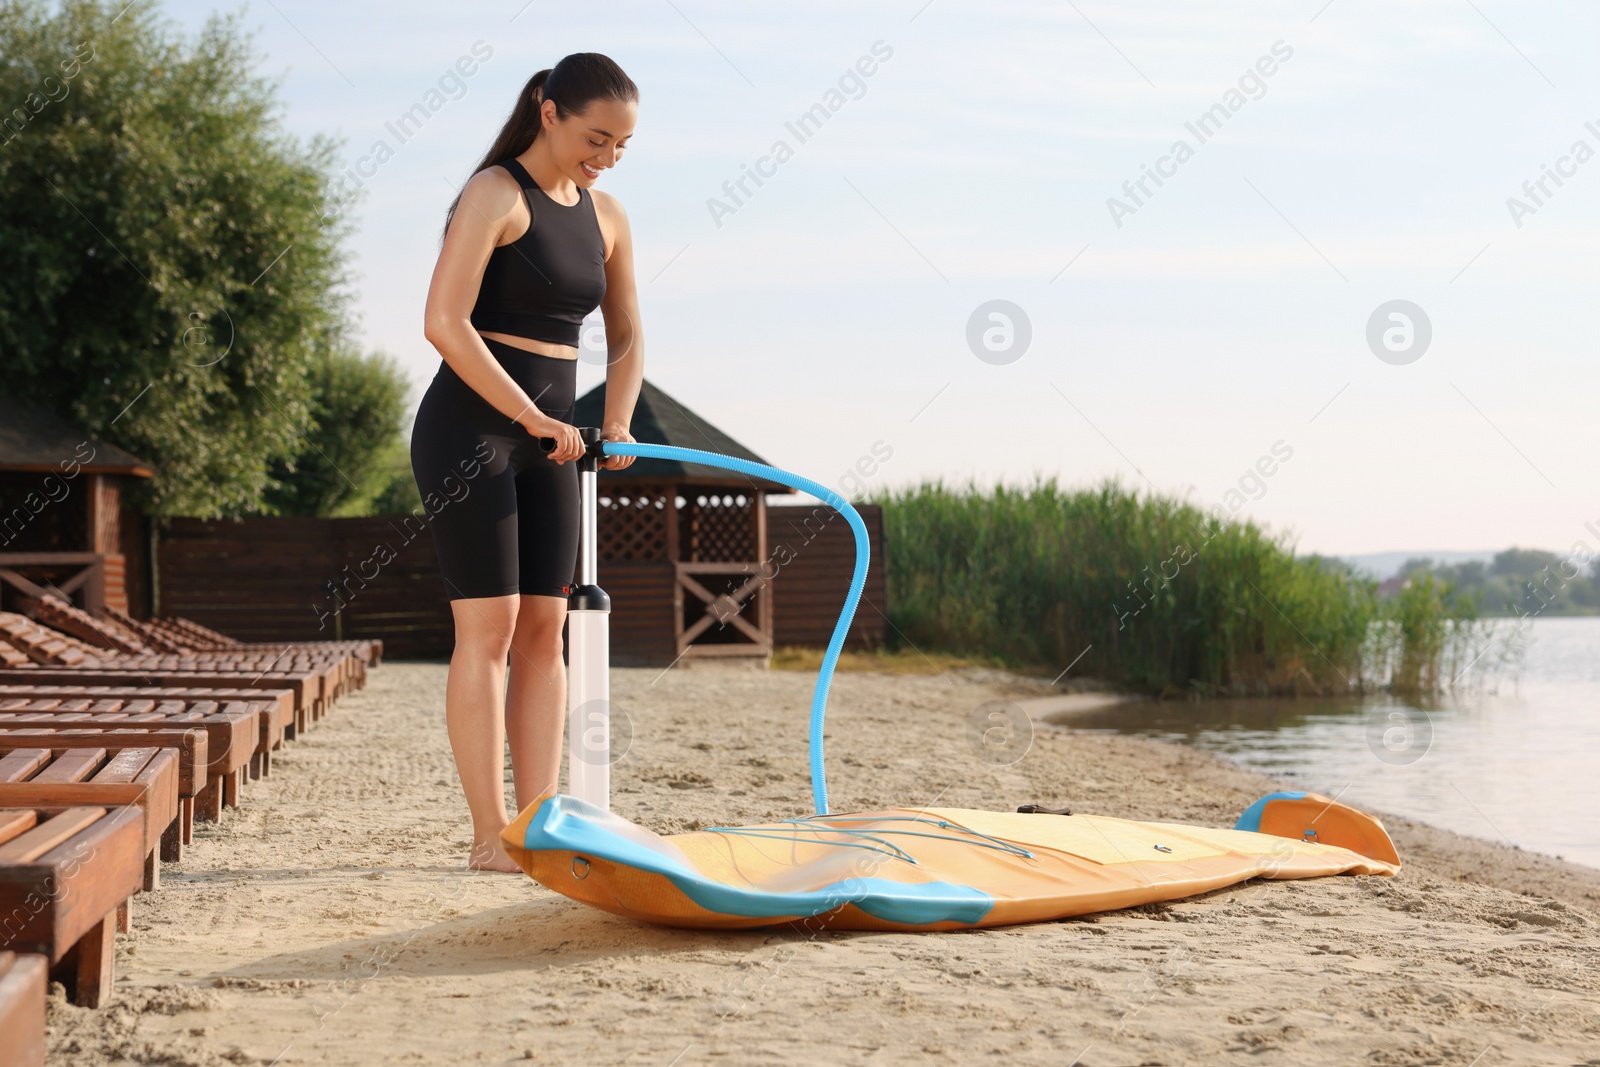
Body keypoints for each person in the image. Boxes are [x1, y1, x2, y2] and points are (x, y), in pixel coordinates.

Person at [413, 53, 643, 871]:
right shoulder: (495, 194)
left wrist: (611, 420)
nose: (608, 156)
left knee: (546, 631)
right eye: (596, 137)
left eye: (621, 144)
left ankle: (541, 820)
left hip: (556, 438)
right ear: (549, 112)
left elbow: (625, 336)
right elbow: (444, 321)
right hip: (471, 431)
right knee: (491, 629)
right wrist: (533, 415)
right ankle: (488, 833)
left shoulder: (607, 215)